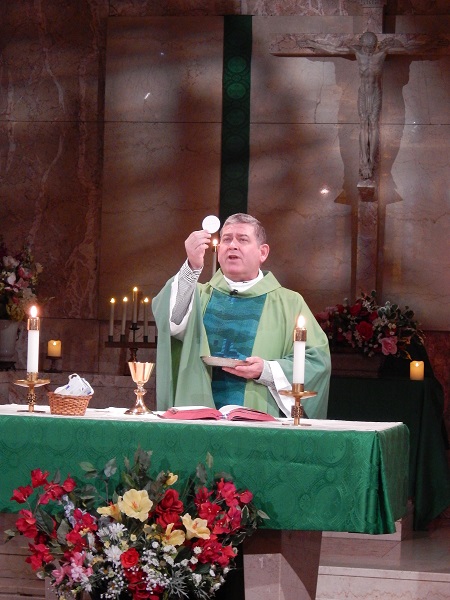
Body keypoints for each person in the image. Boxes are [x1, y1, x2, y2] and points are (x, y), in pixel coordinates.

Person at [152, 213, 331, 419]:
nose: (232, 245)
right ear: (218, 250)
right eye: (226, 239)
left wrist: (267, 370)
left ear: (262, 252)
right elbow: (170, 322)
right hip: (199, 413)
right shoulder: (198, 295)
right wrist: (192, 267)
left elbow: (317, 361)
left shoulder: (290, 303)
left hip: (260, 416)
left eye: (243, 239)